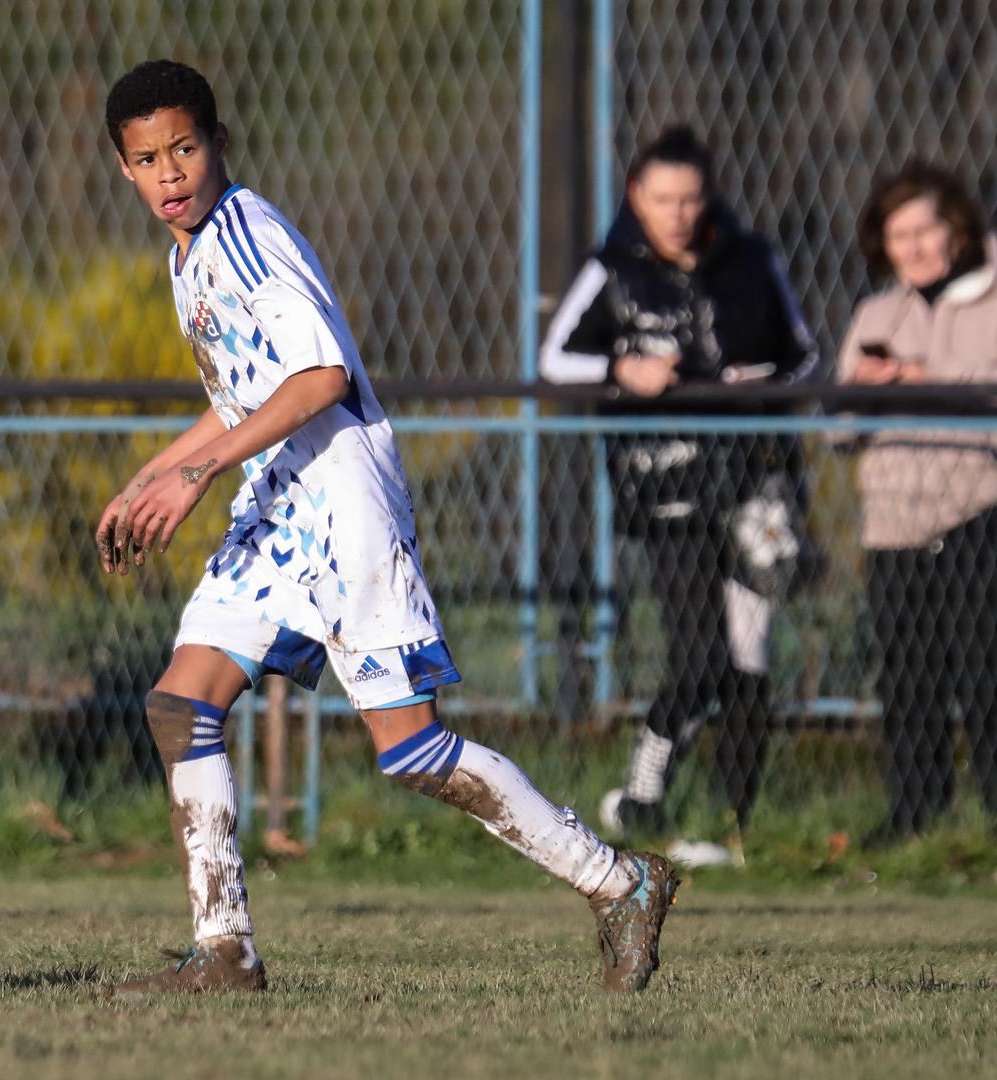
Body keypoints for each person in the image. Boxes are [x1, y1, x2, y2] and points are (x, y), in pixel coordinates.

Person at [96, 60, 677, 996]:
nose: (170, 173)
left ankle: (620, 881)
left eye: (185, 149)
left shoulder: (245, 236)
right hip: (278, 508)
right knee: (181, 703)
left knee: (411, 752)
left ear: (219, 144)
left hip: (342, 506)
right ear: (123, 170)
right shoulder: (188, 255)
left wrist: (198, 474)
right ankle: (226, 953)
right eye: (146, 159)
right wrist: (153, 475)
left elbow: (320, 381)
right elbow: (238, 396)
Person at [540, 127, 820, 866]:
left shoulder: (752, 261)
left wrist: (760, 383)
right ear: (637, 195)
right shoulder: (613, 269)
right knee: (700, 659)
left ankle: (733, 826)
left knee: (751, 657)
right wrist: (623, 366)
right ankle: (643, 792)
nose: (677, 213)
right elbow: (555, 358)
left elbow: (804, 356)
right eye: (662, 198)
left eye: (691, 197)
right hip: (666, 490)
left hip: (754, 482)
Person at [836, 162, 997, 840]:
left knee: (990, 677)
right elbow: (838, 430)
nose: (915, 246)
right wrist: (869, 391)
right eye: (899, 235)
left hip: (986, 512)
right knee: (907, 683)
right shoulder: (878, 312)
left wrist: (930, 377)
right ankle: (915, 818)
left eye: (926, 229)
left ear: (957, 230)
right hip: (896, 524)